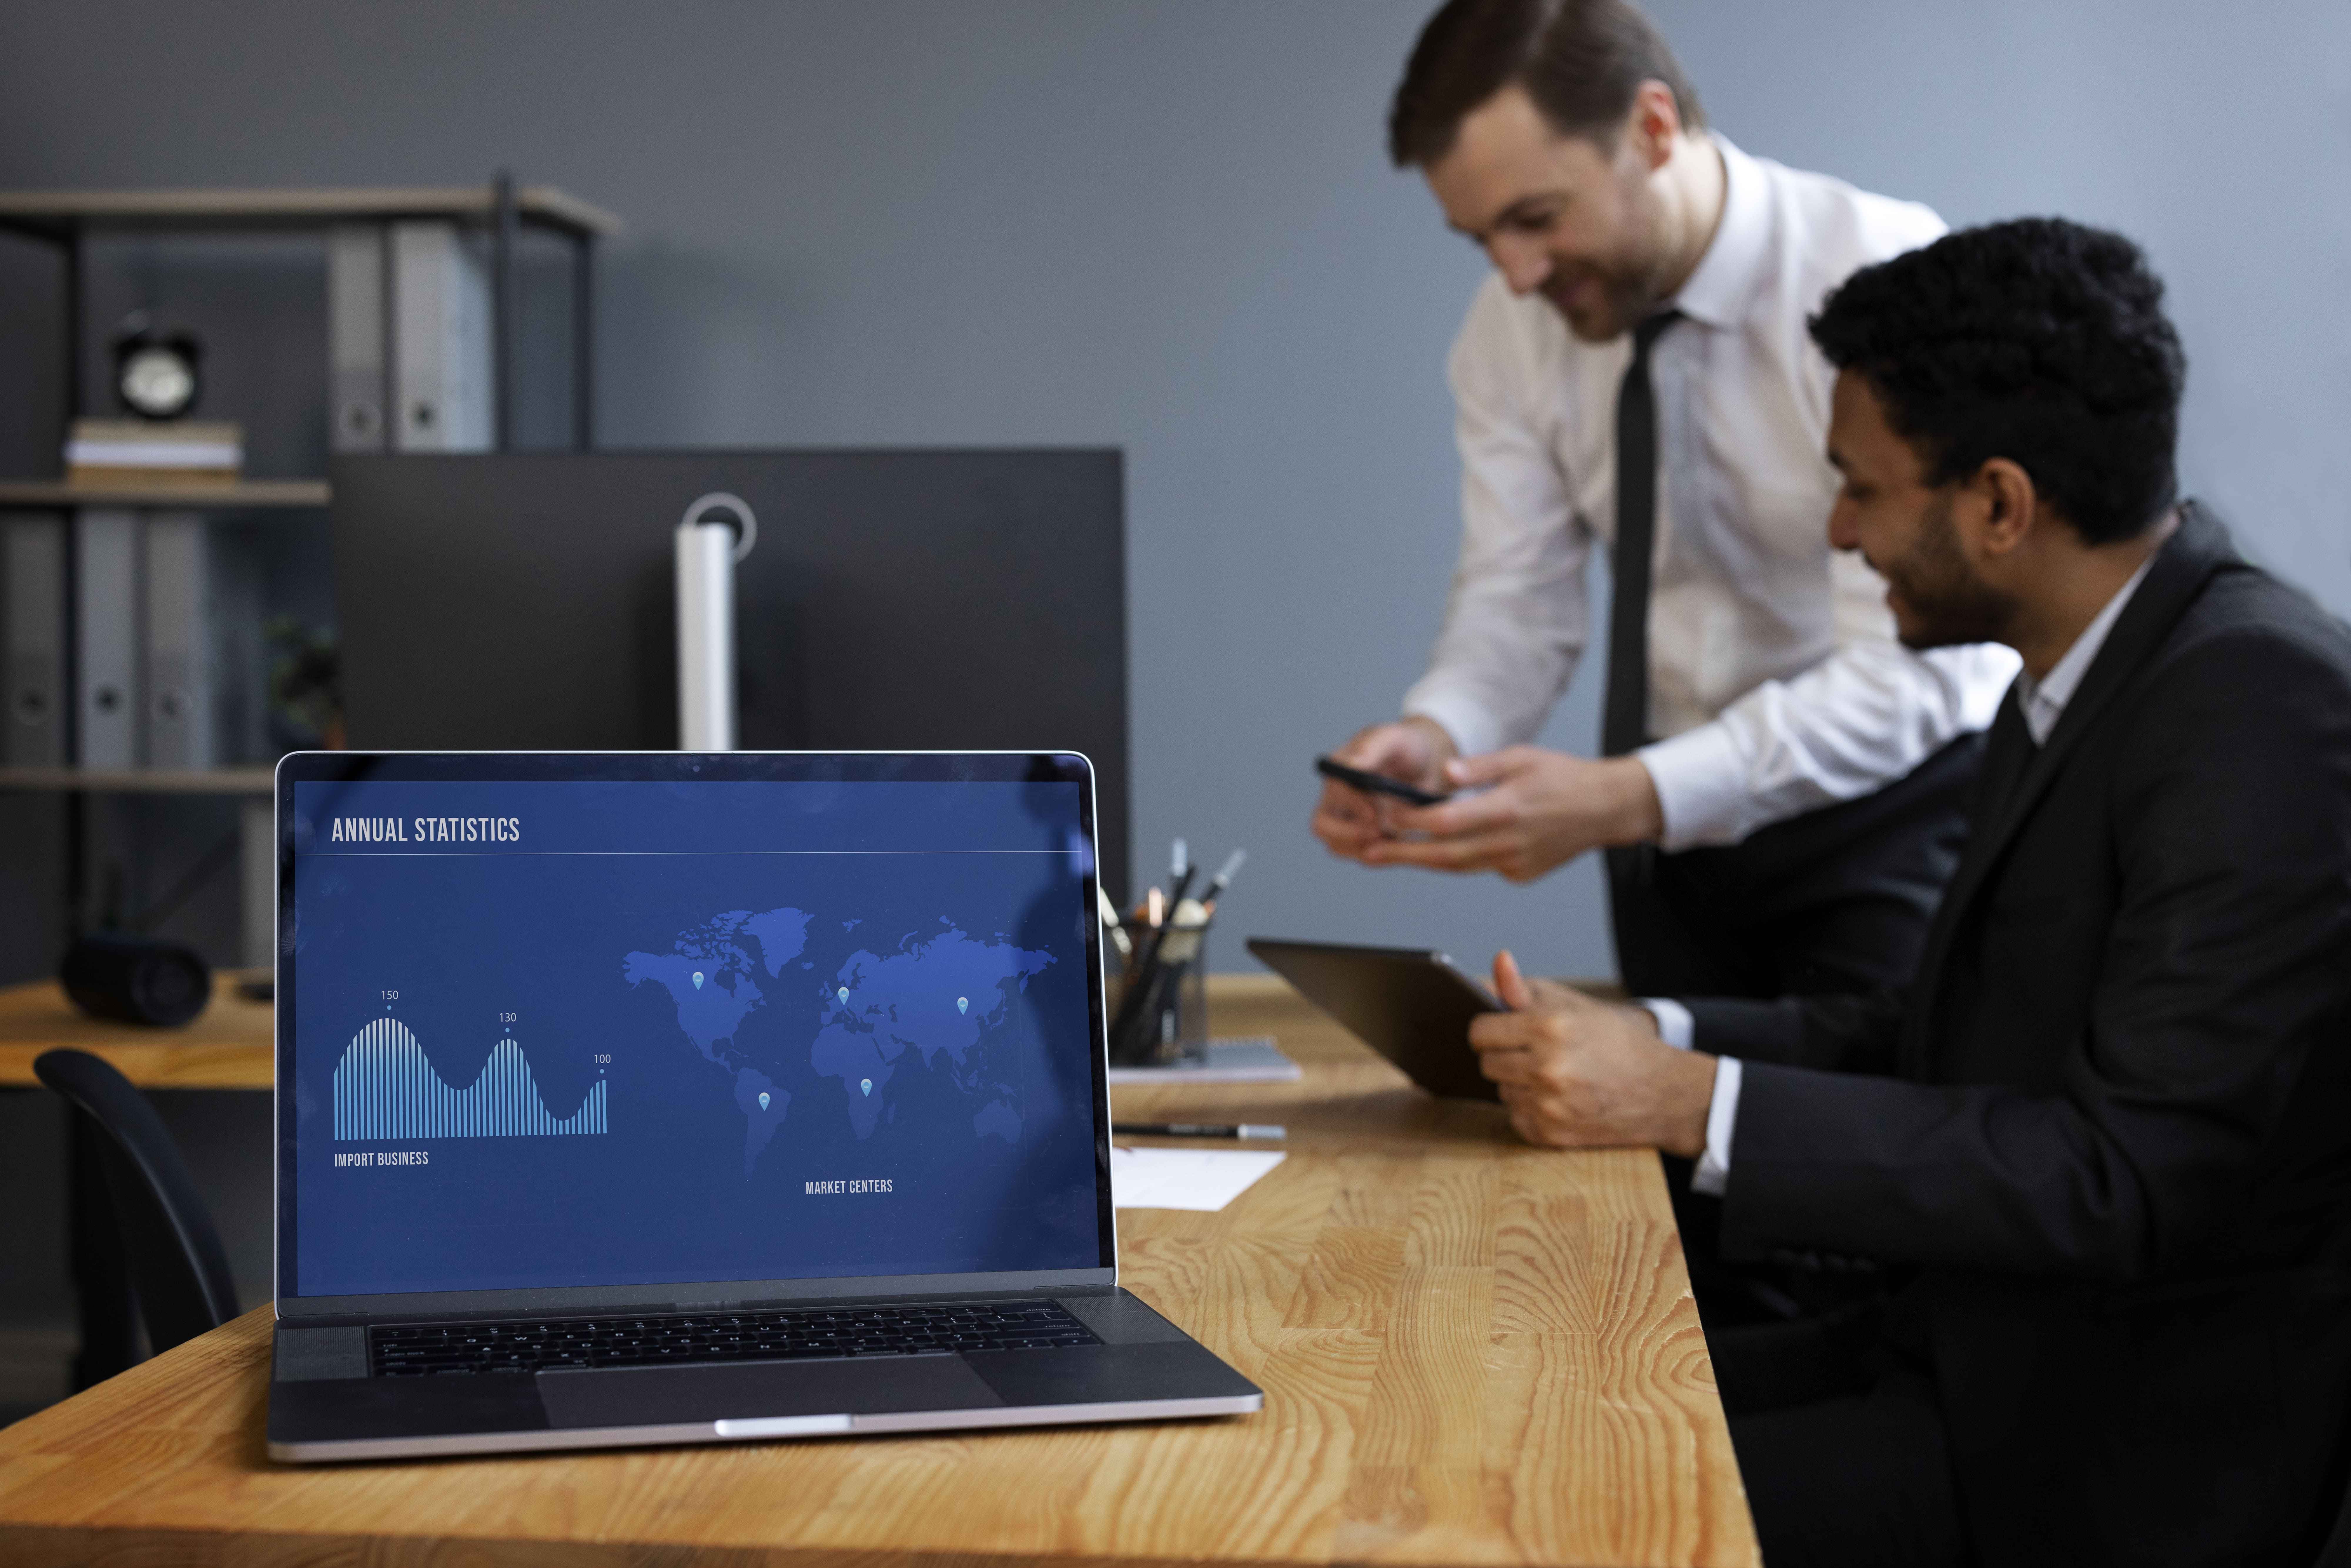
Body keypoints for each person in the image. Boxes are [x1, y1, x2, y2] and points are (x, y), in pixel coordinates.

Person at [1468, 217, 2351, 1565]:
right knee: (1524, 1418)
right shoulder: (2076, 674)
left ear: (1996, 503)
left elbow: (2120, 1180)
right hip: (1958, 1355)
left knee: (1550, 1518)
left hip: (2098, 1459)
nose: (1837, 529)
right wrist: (1659, 1038)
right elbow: (1936, 1036)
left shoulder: (2255, 705)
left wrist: (1691, 1105)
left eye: (1860, 490)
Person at [1312, 0, 2017, 998]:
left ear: (1650, 128)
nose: (1516, 275)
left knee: (1849, 1143)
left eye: (1536, 218)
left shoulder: (1880, 271)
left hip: (1890, 827)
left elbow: (1937, 663)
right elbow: (1517, 600)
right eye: (1481, 239)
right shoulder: (1509, 333)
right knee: (1655, 1154)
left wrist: (1631, 795)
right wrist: (1439, 736)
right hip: (1663, 854)